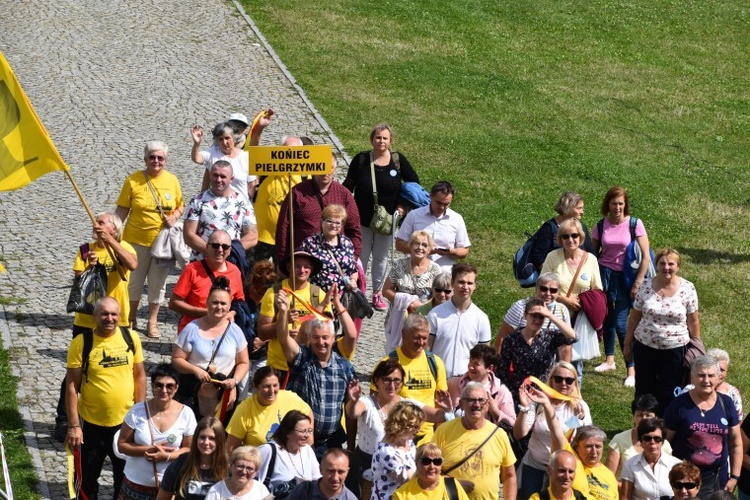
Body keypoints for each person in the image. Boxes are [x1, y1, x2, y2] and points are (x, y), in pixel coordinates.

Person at [54, 212, 139, 441]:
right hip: (87, 321)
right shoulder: (85, 249)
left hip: (116, 320)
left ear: (114, 229)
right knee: (75, 372)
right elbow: (79, 283)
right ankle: (64, 419)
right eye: (96, 222)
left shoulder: (124, 246)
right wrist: (90, 267)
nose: (96, 225)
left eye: (101, 222)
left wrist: (111, 243)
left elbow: (132, 264)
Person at [65, 297, 147, 499]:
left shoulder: (131, 338)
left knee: (124, 477)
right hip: (91, 424)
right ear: (94, 316)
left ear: (120, 316)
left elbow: (140, 376)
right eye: (104, 314)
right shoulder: (81, 343)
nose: (109, 318)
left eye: (114, 314)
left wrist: (140, 414)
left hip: (125, 424)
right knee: (87, 479)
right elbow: (71, 387)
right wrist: (74, 426)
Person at [345, 359, 450, 498]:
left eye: (397, 380)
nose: (392, 385)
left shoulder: (406, 405)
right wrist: (353, 401)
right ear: (377, 380)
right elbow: (353, 412)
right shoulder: (368, 402)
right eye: (387, 380)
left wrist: (447, 409)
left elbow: (437, 416)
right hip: (366, 467)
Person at [343, 123, 420, 311]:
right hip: (361, 219)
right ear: (372, 139)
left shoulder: (397, 160)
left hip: (387, 222)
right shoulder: (361, 159)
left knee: (380, 258)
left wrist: (403, 207)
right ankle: (358, 290)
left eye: (385, 138)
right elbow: (348, 185)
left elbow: (414, 185)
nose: (381, 141)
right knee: (361, 256)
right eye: (378, 137)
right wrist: (343, 210)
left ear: (390, 140)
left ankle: (377, 293)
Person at [116, 141, 183, 338]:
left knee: (157, 284)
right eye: (152, 157)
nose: (156, 161)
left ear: (166, 160)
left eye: (160, 158)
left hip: (162, 243)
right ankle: (130, 318)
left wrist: (176, 216)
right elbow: (122, 209)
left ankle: (152, 322)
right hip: (135, 240)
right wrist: (112, 229)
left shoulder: (172, 181)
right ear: (145, 159)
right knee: (134, 282)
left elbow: (181, 205)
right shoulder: (133, 181)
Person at [276, 290, 354, 457]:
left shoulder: (344, 367)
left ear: (334, 338)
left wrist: (352, 445)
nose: (321, 342)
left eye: (325, 337)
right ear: (310, 338)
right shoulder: (301, 358)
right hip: (299, 441)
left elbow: (349, 409)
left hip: (331, 441)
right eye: (316, 338)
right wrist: (283, 312)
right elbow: (283, 339)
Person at [623, 248, 700, 415]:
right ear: (656, 265)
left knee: (670, 390)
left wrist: (697, 346)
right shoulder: (645, 286)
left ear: (678, 266)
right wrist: (627, 343)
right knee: (644, 389)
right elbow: (634, 317)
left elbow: (693, 320)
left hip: (675, 350)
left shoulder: (688, 288)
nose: (666, 267)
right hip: (645, 346)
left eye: (671, 264)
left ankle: (665, 428)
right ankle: (641, 424)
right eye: (662, 263)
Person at [591, 186, 652, 387]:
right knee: (606, 320)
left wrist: (638, 282)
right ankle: (609, 360)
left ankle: (631, 369)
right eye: (613, 203)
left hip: (625, 278)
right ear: (607, 204)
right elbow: (592, 255)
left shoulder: (635, 224)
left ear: (625, 204)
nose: (617, 207)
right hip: (604, 276)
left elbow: (645, 257)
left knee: (621, 323)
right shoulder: (601, 226)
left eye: (621, 203)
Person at [172, 276, 250, 418]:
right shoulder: (192, 329)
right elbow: (177, 359)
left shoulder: (235, 330)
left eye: (223, 303)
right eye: (215, 302)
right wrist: (195, 370)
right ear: (207, 302)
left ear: (229, 305)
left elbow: (244, 362)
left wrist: (235, 380)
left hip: (224, 395)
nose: (219, 307)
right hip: (195, 392)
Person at [664, 355, 741, 498]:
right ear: (692, 378)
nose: (706, 380)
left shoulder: (727, 403)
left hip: (717, 480)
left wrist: (734, 477)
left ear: (719, 378)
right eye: (701, 375)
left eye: (711, 375)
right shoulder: (679, 405)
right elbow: (666, 444)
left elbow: (735, 443)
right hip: (685, 482)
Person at [514, 362, 592, 500]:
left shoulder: (580, 407)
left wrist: (577, 421)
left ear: (575, 383)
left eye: (569, 380)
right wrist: (524, 408)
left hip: (563, 471)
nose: (563, 383)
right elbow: (519, 434)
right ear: (551, 380)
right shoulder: (538, 401)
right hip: (535, 466)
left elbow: (582, 443)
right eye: (558, 379)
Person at [118, 363, 196, 498]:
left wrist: (167, 456)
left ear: (176, 387)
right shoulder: (137, 411)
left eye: (169, 386)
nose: (164, 390)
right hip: (135, 484)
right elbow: (122, 445)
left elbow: (189, 449)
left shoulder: (186, 413)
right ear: (153, 387)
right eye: (159, 385)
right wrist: (148, 449)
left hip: (169, 488)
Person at [528, 384, 618, 500]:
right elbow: (557, 433)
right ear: (576, 446)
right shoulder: (571, 459)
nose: (594, 451)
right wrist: (547, 404)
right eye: (588, 446)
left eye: (598, 446)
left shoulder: (609, 475)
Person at [432, 382, 517, 500]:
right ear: (461, 404)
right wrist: (453, 484)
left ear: (487, 405)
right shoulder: (443, 431)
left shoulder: (499, 434)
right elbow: (428, 472)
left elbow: (509, 475)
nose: (477, 404)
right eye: (471, 400)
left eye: (481, 400)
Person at [256, 250, 331, 380]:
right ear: (289, 267)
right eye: (297, 266)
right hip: (278, 367)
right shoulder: (274, 293)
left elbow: (327, 331)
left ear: (311, 269)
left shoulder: (319, 295)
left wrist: (303, 334)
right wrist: (284, 322)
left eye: (306, 266)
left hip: (307, 365)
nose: (302, 270)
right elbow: (262, 333)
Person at [276, 153, 362, 264]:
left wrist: (352, 259)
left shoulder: (343, 194)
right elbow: (283, 228)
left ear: (335, 169)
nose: (325, 172)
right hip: (304, 262)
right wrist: (282, 261)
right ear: (313, 168)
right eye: (321, 166)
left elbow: (354, 229)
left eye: (330, 167)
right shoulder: (297, 193)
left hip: (335, 262)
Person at [381, 314, 449, 444]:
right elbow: (378, 402)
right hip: (397, 439)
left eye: (424, 338)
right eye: (416, 337)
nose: (421, 343)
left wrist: (439, 439)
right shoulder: (389, 363)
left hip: (426, 439)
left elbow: (440, 404)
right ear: (404, 334)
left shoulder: (435, 363)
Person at [496, 298, 577, 406]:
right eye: (533, 315)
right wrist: (505, 395)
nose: (537, 320)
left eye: (541, 316)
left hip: (543, 395)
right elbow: (502, 371)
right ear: (525, 315)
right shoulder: (512, 339)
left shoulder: (550, 337)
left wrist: (550, 316)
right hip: (517, 394)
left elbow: (573, 337)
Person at [169, 230, 245, 333]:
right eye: (215, 245)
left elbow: (239, 300)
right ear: (207, 247)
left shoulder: (235, 271)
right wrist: (206, 313)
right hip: (194, 330)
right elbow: (174, 303)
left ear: (230, 250)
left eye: (225, 247)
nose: (220, 250)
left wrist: (232, 313)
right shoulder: (192, 270)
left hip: (222, 331)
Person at [183, 160, 257, 262]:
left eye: (223, 176)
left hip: (231, 263)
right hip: (202, 263)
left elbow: (252, 235)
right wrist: (213, 252)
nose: (218, 179)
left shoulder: (243, 203)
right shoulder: (197, 201)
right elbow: (189, 235)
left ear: (231, 179)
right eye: (215, 175)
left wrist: (231, 251)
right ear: (209, 175)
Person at [427, 263, 492, 378]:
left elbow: (484, 358)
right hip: (438, 379)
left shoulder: (481, 319)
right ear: (452, 283)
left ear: (475, 286)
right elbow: (426, 350)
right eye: (461, 282)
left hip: (467, 383)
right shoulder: (435, 314)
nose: (465, 287)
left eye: (470, 283)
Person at [226, 366, 312, 451]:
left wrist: (308, 439)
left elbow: (308, 412)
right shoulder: (245, 409)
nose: (271, 391)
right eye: (266, 386)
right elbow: (231, 447)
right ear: (256, 386)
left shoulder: (290, 398)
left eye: (275, 385)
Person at [383, 230, 441, 351]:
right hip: (398, 319)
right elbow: (386, 290)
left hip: (424, 319)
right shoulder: (399, 265)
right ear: (410, 246)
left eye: (424, 245)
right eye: (416, 244)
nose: (420, 248)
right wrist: (406, 302)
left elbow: (439, 296)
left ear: (429, 249)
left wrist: (421, 306)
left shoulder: (435, 270)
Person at [395, 180, 471, 272]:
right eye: (438, 203)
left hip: (444, 274)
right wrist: (423, 250)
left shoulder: (456, 219)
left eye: (446, 204)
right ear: (430, 196)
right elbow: (399, 244)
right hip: (417, 271)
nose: (442, 207)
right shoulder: (414, 215)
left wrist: (452, 252)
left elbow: (464, 251)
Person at [494, 272, 571, 361]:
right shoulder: (520, 306)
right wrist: (496, 364)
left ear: (558, 292)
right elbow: (503, 336)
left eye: (553, 290)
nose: (548, 293)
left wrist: (565, 370)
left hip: (545, 369)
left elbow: (566, 346)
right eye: (543, 289)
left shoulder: (562, 310)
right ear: (536, 289)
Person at [157, 417, 229, 500]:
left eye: (212, 438)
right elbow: (162, 498)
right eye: (202, 437)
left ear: (220, 440)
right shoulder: (181, 463)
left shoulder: (228, 468)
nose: (206, 442)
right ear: (196, 439)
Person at [541, 218, 602, 315]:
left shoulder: (591, 259)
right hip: (555, 316)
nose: (570, 240)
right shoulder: (552, 257)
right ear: (561, 239)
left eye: (574, 235)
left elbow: (598, 291)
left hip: (581, 317)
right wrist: (564, 300)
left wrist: (582, 301)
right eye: (565, 236)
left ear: (580, 237)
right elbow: (541, 289)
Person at [256, 410, 321, 498]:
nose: (307, 435)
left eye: (309, 431)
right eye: (303, 431)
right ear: (287, 432)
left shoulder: (308, 450)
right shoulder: (268, 450)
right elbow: (252, 484)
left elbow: (317, 480)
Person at [605, 394, 672, 479]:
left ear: (656, 418)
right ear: (634, 417)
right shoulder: (619, 440)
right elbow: (607, 478)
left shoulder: (664, 445)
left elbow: (669, 477)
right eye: (640, 415)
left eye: (648, 415)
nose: (644, 419)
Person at [447, 345, 515, 425]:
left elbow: (513, 425)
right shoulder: (453, 383)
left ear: (490, 368)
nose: (471, 367)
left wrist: (495, 412)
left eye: (476, 364)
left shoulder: (500, 391)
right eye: (470, 361)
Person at [300, 203, 360, 293]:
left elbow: (353, 269)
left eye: (337, 222)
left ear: (342, 225)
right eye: (330, 221)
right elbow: (301, 269)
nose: (333, 225)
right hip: (317, 296)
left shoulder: (347, 243)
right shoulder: (310, 243)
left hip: (342, 298)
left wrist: (353, 280)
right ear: (322, 221)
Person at [529, 191, 595, 272]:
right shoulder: (549, 228)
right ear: (568, 208)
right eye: (579, 208)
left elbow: (590, 252)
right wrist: (551, 275)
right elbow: (538, 256)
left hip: (578, 277)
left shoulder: (581, 227)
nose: (582, 212)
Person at [371, 401, 425, 500]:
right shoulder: (387, 452)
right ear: (400, 424)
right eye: (414, 426)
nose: (418, 430)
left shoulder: (407, 441)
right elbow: (410, 478)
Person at [191, 122, 256, 203]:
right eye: (220, 139)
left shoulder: (246, 157)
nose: (224, 142)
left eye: (227, 138)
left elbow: (251, 186)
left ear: (234, 138)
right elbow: (196, 159)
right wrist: (196, 144)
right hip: (216, 206)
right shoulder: (212, 153)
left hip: (240, 206)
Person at [620, 418, 682, 500]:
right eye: (647, 438)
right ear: (640, 441)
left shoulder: (677, 465)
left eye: (657, 439)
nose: (652, 442)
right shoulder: (630, 465)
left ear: (663, 442)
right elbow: (625, 498)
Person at [682, 348, 743, 421]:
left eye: (722, 370)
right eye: (715, 370)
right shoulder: (689, 390)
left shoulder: (733, 393)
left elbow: (738, 420)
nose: (719, 374)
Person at [392, 443, 470, 500]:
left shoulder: (452, 486)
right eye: (426, 461)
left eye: (437, 462)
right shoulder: (402, 495)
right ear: (416, 463)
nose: (432, 466)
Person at [287, 448, 357, 500]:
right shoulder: (303, 491)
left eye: (341, 472)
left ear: (347, 472)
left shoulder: (350, 498)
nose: (335, 477)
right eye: (331, 471)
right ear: (320, 470)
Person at [205, 446, 270, 499]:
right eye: (240, 466)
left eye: (249, 468)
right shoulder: (217, 490)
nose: (244, 472)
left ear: (256, 472)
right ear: (231, 466)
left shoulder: (261, 490)